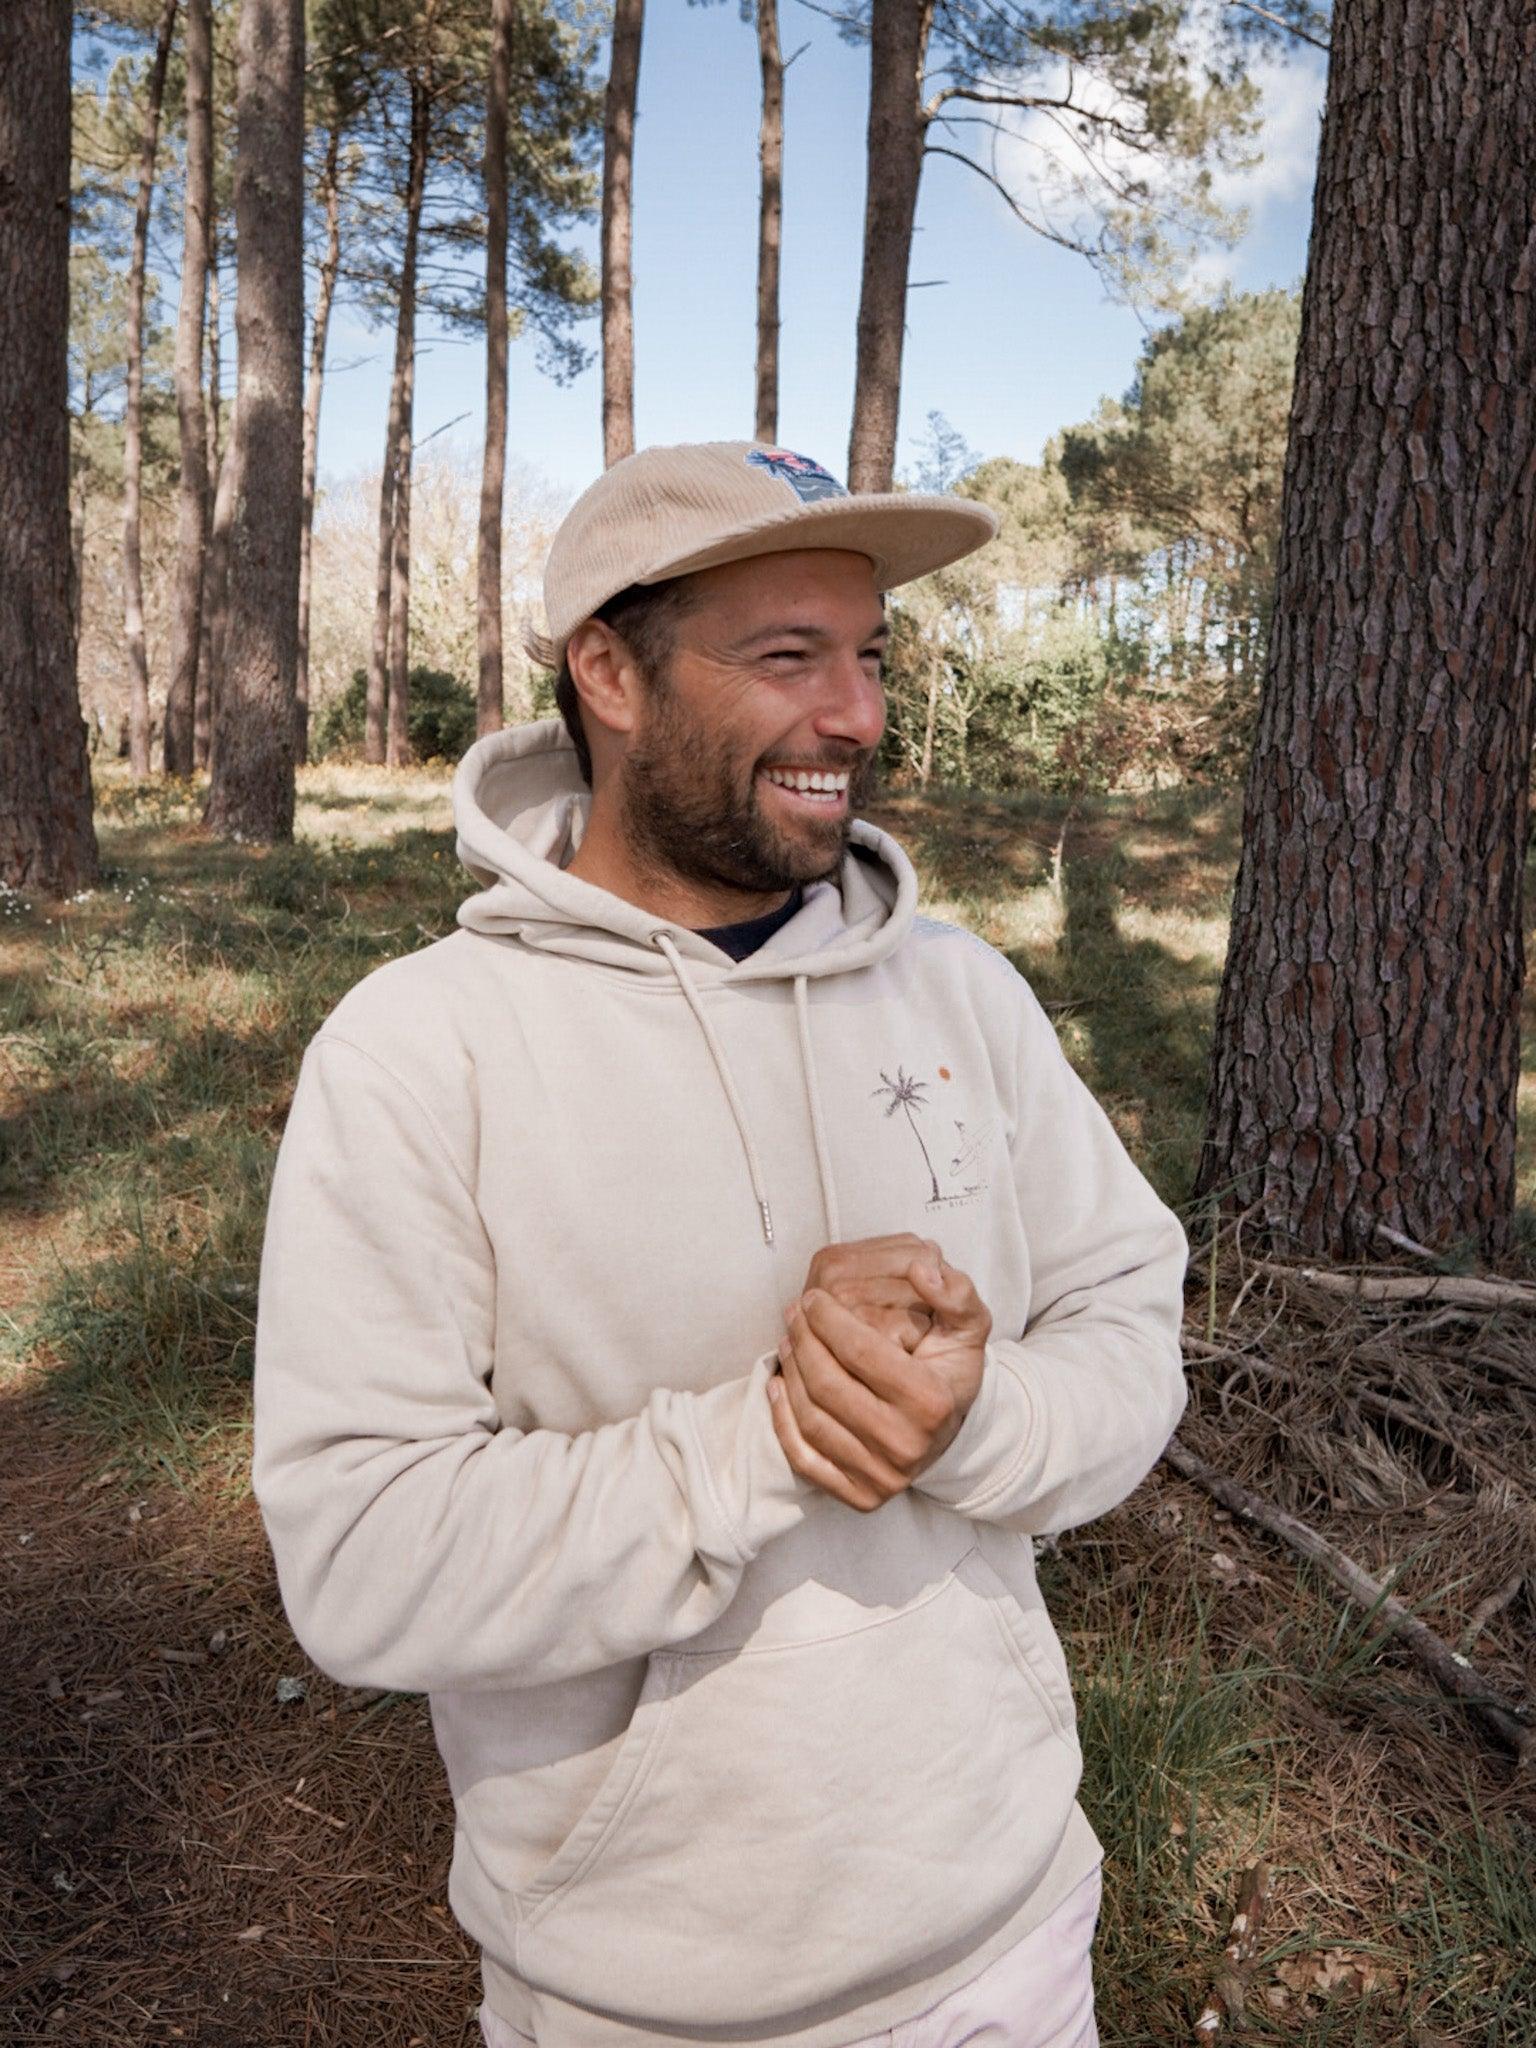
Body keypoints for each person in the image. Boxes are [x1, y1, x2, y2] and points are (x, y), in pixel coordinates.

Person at [251, 440, 1190, 2048]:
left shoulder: (961, 993)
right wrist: (765, 1442)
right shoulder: (421, 1053)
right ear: (607, 671)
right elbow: (360, 1559)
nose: (859, 715)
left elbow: (1128, 1321)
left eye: (871, 655)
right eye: (787, 657)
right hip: (650, 1997)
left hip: (1015, 1929)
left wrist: (981, 1418)